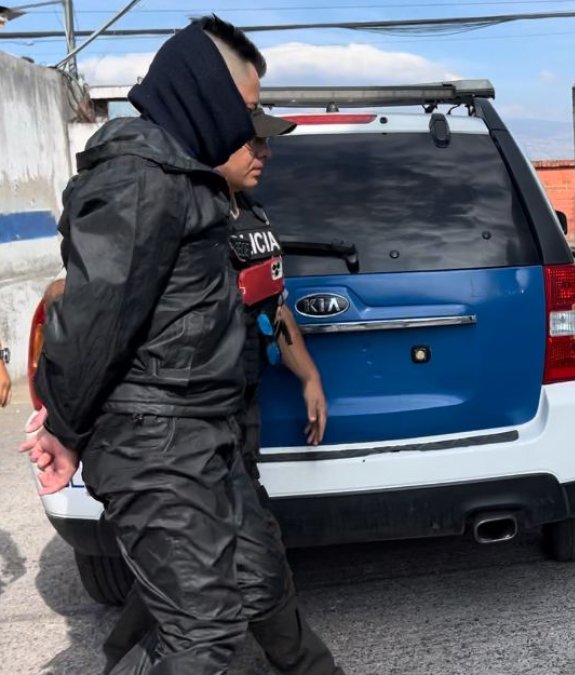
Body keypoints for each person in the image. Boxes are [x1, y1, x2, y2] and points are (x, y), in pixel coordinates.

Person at [19, 16, 343, 674]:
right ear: (204, 93)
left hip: (205, 433)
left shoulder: (188, 181)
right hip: (155, 440)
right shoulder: (139, 180)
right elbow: (93, 320)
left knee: (260, 582)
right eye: (245, 108)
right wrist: (63, 426)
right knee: (204, 634)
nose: (251, 127)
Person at [93, 107, 336, 675]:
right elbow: (88, 294)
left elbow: (274, 306)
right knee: (221, 566)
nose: (265, 153)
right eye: (253, 143)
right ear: (215, 138)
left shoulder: (251, 214)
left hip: (234, 413)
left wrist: (309, 376)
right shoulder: (175, 211)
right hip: (177, 425)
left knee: (206, 562)